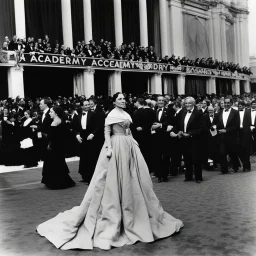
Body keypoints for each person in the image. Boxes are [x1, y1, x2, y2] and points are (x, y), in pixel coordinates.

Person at [36, 92, 183, 250]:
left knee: (135, 178)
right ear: (114, 102)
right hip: (116, 146)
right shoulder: (112, 114)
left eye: (123, 98)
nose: (123, 100)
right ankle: (116, 212)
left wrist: (133, 141)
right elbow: (107, 132)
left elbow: (129, 130)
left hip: (129, 146)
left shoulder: (126, 113)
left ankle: (135, 209)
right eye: (119, 99)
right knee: (113, 179)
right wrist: (109, 148)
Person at [171, 97, 204, 183]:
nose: (187, 105)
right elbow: (177, 125)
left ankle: (198, 177)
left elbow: (201, 129)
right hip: (184, 140)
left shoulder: (198, 113)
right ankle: (188, 176)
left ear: (193, 103)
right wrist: (174, 132)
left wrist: (190, 134)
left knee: (196, 159)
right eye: (186, 103)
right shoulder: (182, 112)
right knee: (187, 158)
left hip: (195, 139)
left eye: (189, 103)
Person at [41, 106, 75, 189]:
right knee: (59, 163)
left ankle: (56, 183)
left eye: (51, 112)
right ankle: (63, 181)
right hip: (60, 146)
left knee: (54, 164)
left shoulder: (54, 122)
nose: (49, 113)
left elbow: (50, 136)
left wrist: (47, 144)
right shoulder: (61, 121)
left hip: (54, 147)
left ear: (56, 113)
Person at [73, 100, 98, 183]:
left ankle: (91, 177)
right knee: (83, 157)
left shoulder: (94, 114)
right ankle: (85, 176)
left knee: (91, 158)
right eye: (86, 105)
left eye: (88, 104)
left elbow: (98, 126)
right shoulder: (78, 116)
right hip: (82, 139)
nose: (88, 106)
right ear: (82, 107)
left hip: (91, 138)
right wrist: (77, 136)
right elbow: (75, 128)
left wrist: (92, 134)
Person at [213, 97, 239, 174]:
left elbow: (236, 126)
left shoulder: (235, 112)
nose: (226, 104)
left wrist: (226, 130)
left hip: (231, 136)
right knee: (222, 153)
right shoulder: (219, 112)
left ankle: (235, 167)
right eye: (225, 103)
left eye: (228, 103)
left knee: (232, 152)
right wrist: (214, 127)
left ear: (231, 103)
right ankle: (224, 169)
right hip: (221, 136)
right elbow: (216, 123)